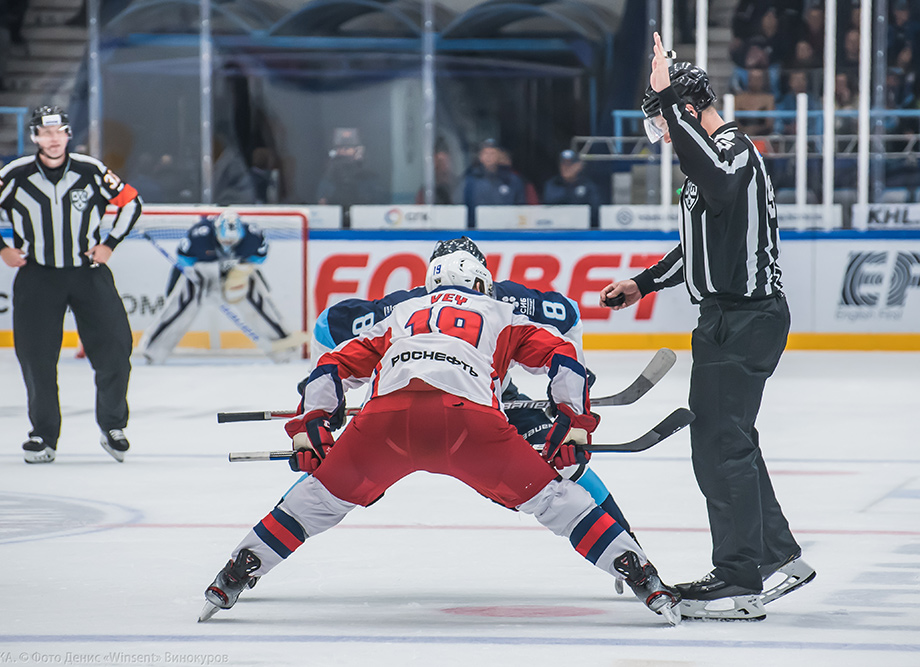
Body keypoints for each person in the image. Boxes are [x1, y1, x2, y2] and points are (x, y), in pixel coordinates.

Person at [198, 246, 682, 625]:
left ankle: (236, 573)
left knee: (317, 499)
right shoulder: (504, 310)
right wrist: (574, 422)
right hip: (471, 422)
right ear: (481, 280)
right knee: (556, 499)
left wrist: (312, 425)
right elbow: (565, 357)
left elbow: (329, 362)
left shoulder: (397, 313)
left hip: (386, 421)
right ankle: (640, 574)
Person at [600, 35, 815, 621]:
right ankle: (776, 554)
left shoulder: (733, 150)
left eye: (664, 122)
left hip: (745, 320)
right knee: (731, 440)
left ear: (688, 110)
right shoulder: (711, 158)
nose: (662, 134)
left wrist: (665, 96)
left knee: (719, 447)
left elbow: (716, 181)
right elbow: (696, 245)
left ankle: (739, 581)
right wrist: (643, 283)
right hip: (725, 319)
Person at [309, 237, 640, 565]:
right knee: (565, 465)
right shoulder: (504, 299)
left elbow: (328, 325)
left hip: (477, 396)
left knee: (333, 462)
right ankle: (628, 550)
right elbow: (567, 315)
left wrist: (322, 400)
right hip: (447, 394)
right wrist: (572, 387)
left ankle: (626, 544)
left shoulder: (416, 302)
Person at [0, 105, 141, 464]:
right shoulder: (16, 173)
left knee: (115, 348)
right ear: (34, 137)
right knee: (37, 358)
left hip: (87, 271)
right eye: (46, 133)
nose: (53, 139)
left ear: (67, 134)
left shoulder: (90, 170)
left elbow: (130, 202)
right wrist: (1, 248)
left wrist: (110, 244)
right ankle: (43, 435)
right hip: (38, 275)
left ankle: (113, 426)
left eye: (59, 131)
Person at [137, 210, 294, 364]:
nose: (228, 244)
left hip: (237, 271)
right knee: (182, 306)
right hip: (202, 271)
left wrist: (240, 270)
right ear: (216, 232)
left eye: (233, 242)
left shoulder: (253, 236)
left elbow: (258, 260)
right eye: (225, 241)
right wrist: (199, 277)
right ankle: (153, 351)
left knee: (258, 304)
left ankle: (284, 350)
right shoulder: (199, 234)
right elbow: (183, 259)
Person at [461, 139, 527, 227]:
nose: (489, 157)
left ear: (499, 156)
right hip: (477, 231)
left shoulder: (512, 180)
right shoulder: (470, 181)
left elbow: (520, 207)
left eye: (492, 154)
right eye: (486, 153)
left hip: (507, 230)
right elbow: (463, 206)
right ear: (480, 157)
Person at [541, 149, 603, 227]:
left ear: (579, 166)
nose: (566, 168)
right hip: (555, 228)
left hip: (582, 231)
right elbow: (549, 204)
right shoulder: (553, 184)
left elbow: (595, 212)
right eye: (563, 164)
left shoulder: (588, 186)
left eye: (570, 164)